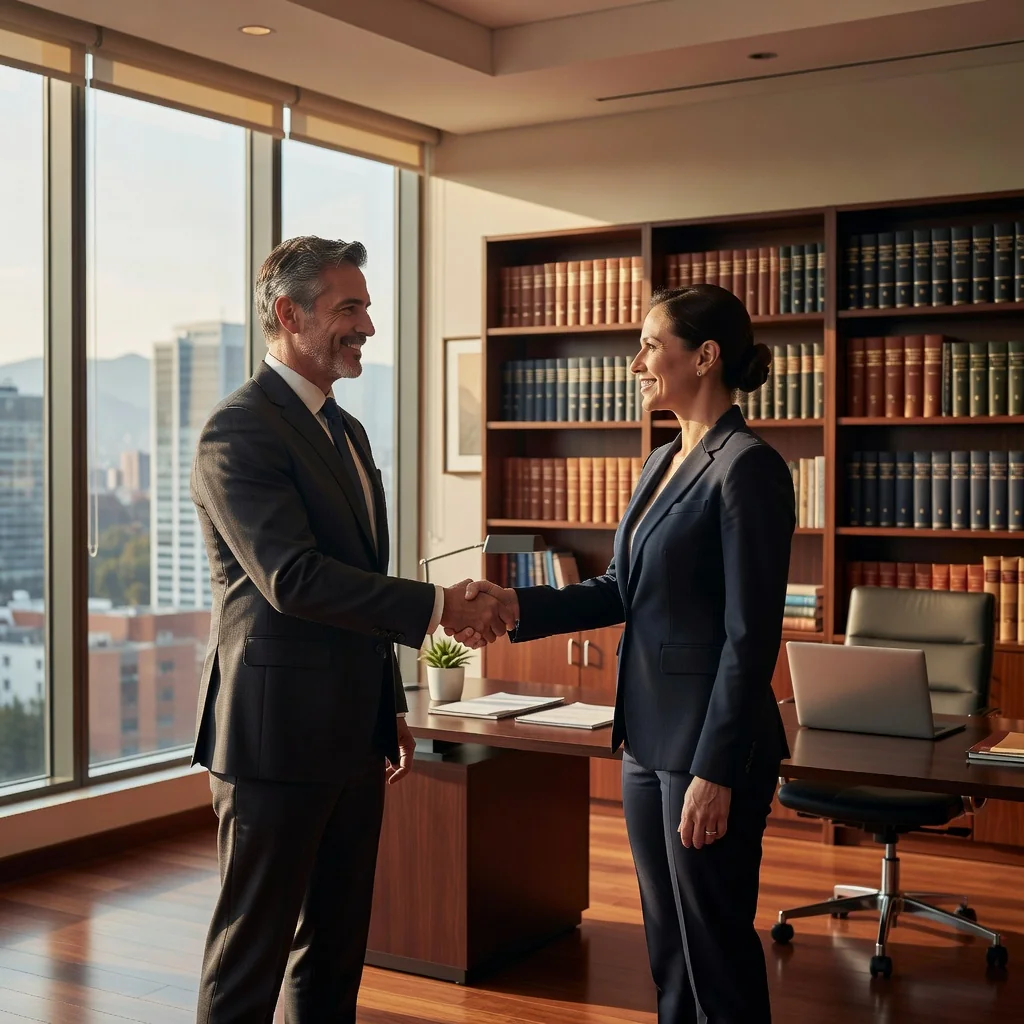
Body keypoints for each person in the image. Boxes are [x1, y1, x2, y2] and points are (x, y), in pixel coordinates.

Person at [190, 235, 513, 1024]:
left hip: (349, 736)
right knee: (250, 955)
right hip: (272, 740)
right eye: (349, 307)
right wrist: (439, 606)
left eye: (366, 306)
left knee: (336, 949)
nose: (367, 325)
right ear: (286, 313)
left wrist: (387, 709)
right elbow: (293, 580)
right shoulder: (239, 431)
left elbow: (356, 581)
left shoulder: (349, 433)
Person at [460, 283, 795, 1023]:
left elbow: (751, 636)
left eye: (651, 343)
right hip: (645, 738)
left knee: (714, 947)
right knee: (668, 948)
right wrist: (514, 606)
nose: (635, 359)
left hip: (711, 747)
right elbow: (620, 591)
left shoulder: (750, 468)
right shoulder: (662, 461)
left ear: (704, 356)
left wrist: (714, 767)